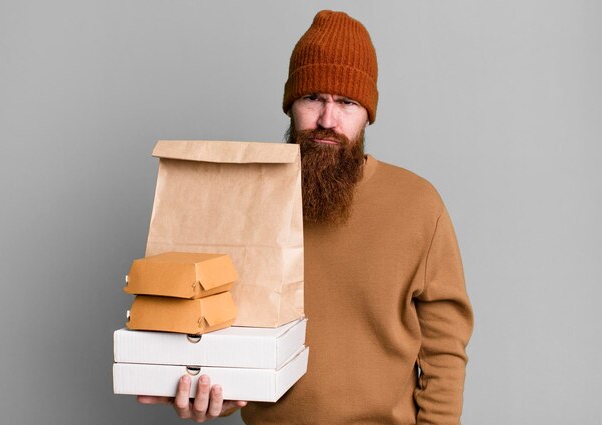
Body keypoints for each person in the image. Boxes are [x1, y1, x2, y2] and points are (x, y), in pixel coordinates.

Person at [138, 10, 474, 424]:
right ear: (290, 105)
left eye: (346, 102)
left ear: (368, 113)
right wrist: (221, 391)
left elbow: (444, 353)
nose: (327, 121)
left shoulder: (419, 205)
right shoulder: (246, 200)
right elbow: (221, 327)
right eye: (313, 98)